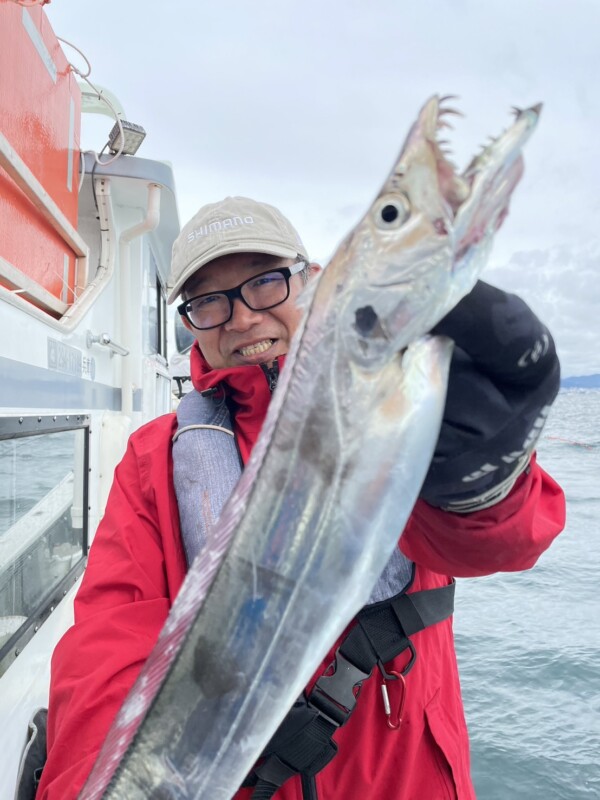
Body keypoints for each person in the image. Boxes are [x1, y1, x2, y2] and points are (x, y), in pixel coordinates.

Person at [36, 196, 565, 800]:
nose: (239, 319)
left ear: (308, 282)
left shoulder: (396, 405)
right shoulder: (153, 456)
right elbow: (107, 644)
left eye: (264, 282)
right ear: (191, 321)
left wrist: (482, 476)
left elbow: (506, 538)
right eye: (208, 301)